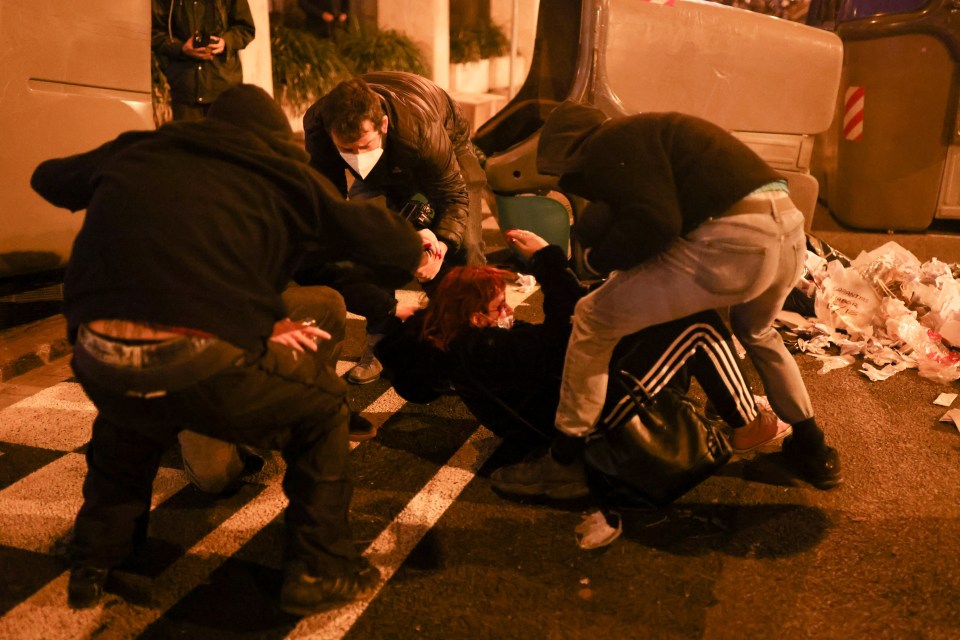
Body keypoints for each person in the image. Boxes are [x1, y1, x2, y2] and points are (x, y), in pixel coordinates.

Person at [29, 85, 426, 615]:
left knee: (128, 426)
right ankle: (320, 568)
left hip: (99, 353)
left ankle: (93, 562)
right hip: (201, 359)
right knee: (324, 412)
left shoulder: (135, 149)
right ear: (271, 139)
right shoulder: (285, 176)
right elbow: (394, 246)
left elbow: (46, 177)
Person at [526, 100, 842, 491]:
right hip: (788, 232)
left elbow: (654, 222)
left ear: (568, 150)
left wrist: (596, 258)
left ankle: (563, 460)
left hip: (738, 240)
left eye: (565, 175)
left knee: (594, 317)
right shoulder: (648, 134)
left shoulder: (605, 145)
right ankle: (813, 446)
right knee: (757, 332)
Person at [375, 230, 782, 499]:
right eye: (499, 307)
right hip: (589, 420)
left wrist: (414, 322)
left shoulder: (456, 345)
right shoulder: (487, 349)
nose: (507, 312)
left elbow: (414, 386)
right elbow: (567, 331)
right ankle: (748, 425)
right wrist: (549, 262)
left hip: (572, 408)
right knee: (697, 325)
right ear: (476, 317)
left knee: (656, 320)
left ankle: (730, 401)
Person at [300, 71, 488, 385]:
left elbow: (453, 194)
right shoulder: (320, 123)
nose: (358, 158)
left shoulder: (423, 131)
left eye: (364, 146)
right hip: (397, 147)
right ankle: (381, 338)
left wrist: (440, 242)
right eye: (348, 150)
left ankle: (468, 341)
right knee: (367, 243)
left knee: (465, 247)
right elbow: (329, 200)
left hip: (443, 136)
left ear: (383, 125)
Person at [151, 0, 256, 121]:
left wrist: (225, 43)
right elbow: (155, 34)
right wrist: (181, 48)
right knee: (190, 139)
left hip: (223, 88)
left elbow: (246, 28)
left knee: (225, 139)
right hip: (186, 91)